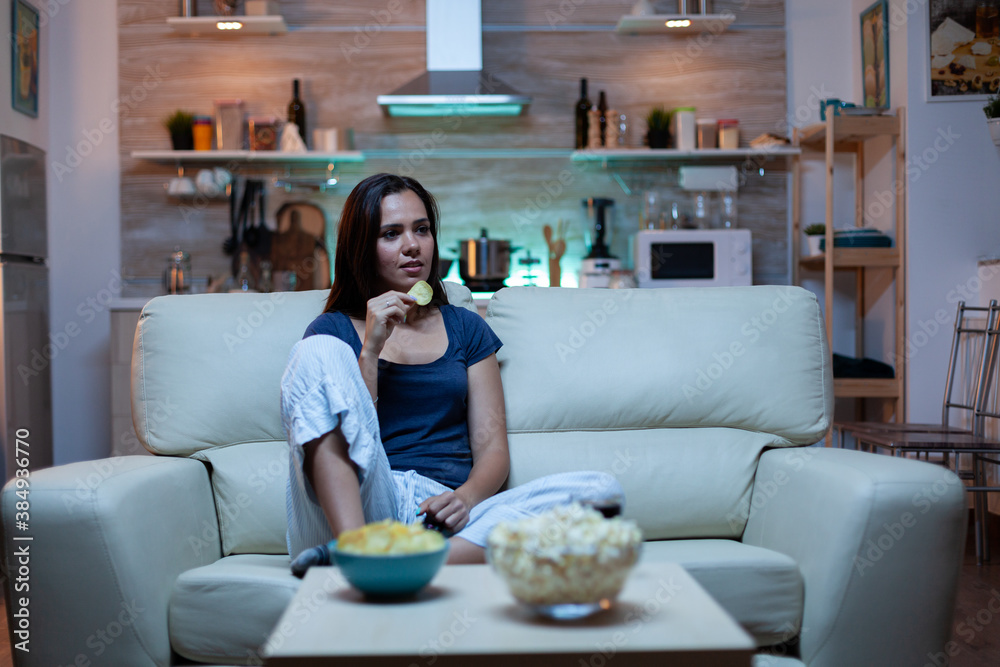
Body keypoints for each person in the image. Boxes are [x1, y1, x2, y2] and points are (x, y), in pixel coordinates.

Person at [281, 173, 623, 566]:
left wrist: (465, 499)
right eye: (391, 234)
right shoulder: (333, 331)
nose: (412, 246)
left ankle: (407, 559)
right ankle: (360, 548)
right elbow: (356, 439)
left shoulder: (465, 326)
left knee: (601, 492)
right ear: (362, 248)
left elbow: (492, 449)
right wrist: (370, 350)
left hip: (444, 514)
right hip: (364, 499)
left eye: (421, 229)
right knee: (315, 350)